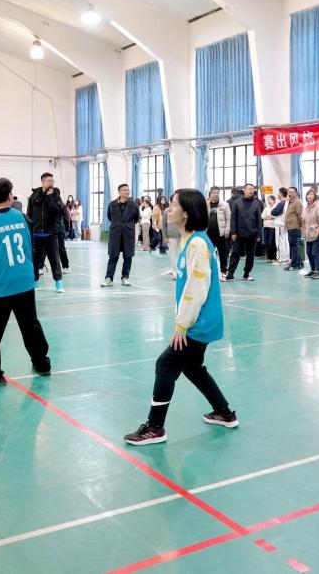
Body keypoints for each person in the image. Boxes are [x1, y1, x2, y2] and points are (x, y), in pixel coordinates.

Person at [124, 189, 238, 445]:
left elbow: (196, 289)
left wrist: (182, 325)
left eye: (174, 206)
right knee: (193, 368)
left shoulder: (198, 243)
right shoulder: (190, 241)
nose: (169, 210)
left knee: (165, 365)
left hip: (198, 323)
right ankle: (224, 412)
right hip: (199, 321)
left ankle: (155, 427)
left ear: (186, 213)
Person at [0, 177, 51, 387]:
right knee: (30, 325)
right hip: (24, 282)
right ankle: (42, 363)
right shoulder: (22, 217)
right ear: (9, 195)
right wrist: (33, 274)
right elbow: (31, 246)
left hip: (0, 285)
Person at [26, 172, 66, 293]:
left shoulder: (56, 196)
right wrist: (31, 229)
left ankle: (58, 282)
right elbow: (29, 214)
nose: (51, 183)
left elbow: (58, 211)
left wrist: (50, 197)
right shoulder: (34, 196)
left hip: (51, 234)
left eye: (53, 181)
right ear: (43, 182)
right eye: (49, 181)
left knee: (55, 259)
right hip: (36, 234)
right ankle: (34, 281)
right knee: (35, 260)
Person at [103, 184, 139, 286]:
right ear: (119, 192)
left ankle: (125, 277)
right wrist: (118, 224)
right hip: (116, 233)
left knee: (128, 256)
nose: (127, 191)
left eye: (128, 189)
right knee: (113, 256)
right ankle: (109, 278)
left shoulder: (133, 205)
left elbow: (136, 218)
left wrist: (127, 225)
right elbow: (109, 216)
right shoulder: (112, 204)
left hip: (128, 233)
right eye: (124, 190)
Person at [225, 184, 263, 282]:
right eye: (249, 189)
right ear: (244, 190)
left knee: (250, 255)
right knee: (235, 254)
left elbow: (259, 220)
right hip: (239, 234)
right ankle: (230, 274)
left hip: (252, 234)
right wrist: (233, 232)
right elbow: (233, 218)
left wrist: (259, 234)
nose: (251, 191)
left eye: (252, 189)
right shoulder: (237, 202)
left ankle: (246, 274)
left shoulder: (256, 203)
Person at [302, 189, 319, 279]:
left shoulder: (318, 207)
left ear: (314, 196)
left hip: (317, 233)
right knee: (309, 252)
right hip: (308, 233)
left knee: (315, 252)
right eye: (308, 194)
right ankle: (313, 270)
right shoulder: (306, 208)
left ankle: (318, 271)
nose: (309, 196)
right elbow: (303, 220)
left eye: (311, 194)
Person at [206, 187, 231, 272]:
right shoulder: (206, 204)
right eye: (214, 193)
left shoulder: (225, 204)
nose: (215, 194)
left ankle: (223, 270)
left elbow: (228, 218)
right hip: (208, 233)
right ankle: (209, 269)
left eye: (217, 193)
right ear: (210, 194)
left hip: (220, 233)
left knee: (222, 252)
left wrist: (227, 230)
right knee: (208, 252)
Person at [284, 187, 304, 271]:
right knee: (294, 246)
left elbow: (299, 215)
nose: (289, 193)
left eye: (292, 191)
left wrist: (300, 226)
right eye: (288, 191)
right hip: (290, 227)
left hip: (295, 227)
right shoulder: (290, 202)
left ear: (296, 193)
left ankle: (295, 265)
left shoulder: (297, 202)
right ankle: (299, 263)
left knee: (294, 246)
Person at [271, 188, 289, 266]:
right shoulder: (288, 202)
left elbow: (273, 212)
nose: (277, 194)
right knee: (285, 242)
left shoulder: (281, 203)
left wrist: (273, 210)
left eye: (278, 193)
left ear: (281, 194)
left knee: (279, 243)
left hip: (279, 225)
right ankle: (286, 259)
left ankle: (280, 260)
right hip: (285, 225)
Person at [262, 195, 277, 262]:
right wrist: (269, 217)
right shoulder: (266, 208)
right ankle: (269, 257)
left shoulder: (275, 207)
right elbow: (262, 216)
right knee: (267, 242)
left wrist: (269, 216)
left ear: (274, 200)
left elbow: (275, 216)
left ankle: (273, 257)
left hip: (272, 227)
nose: (269, 201)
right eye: (268, 199)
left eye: (270, 199)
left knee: (272, 242)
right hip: (266, 227)